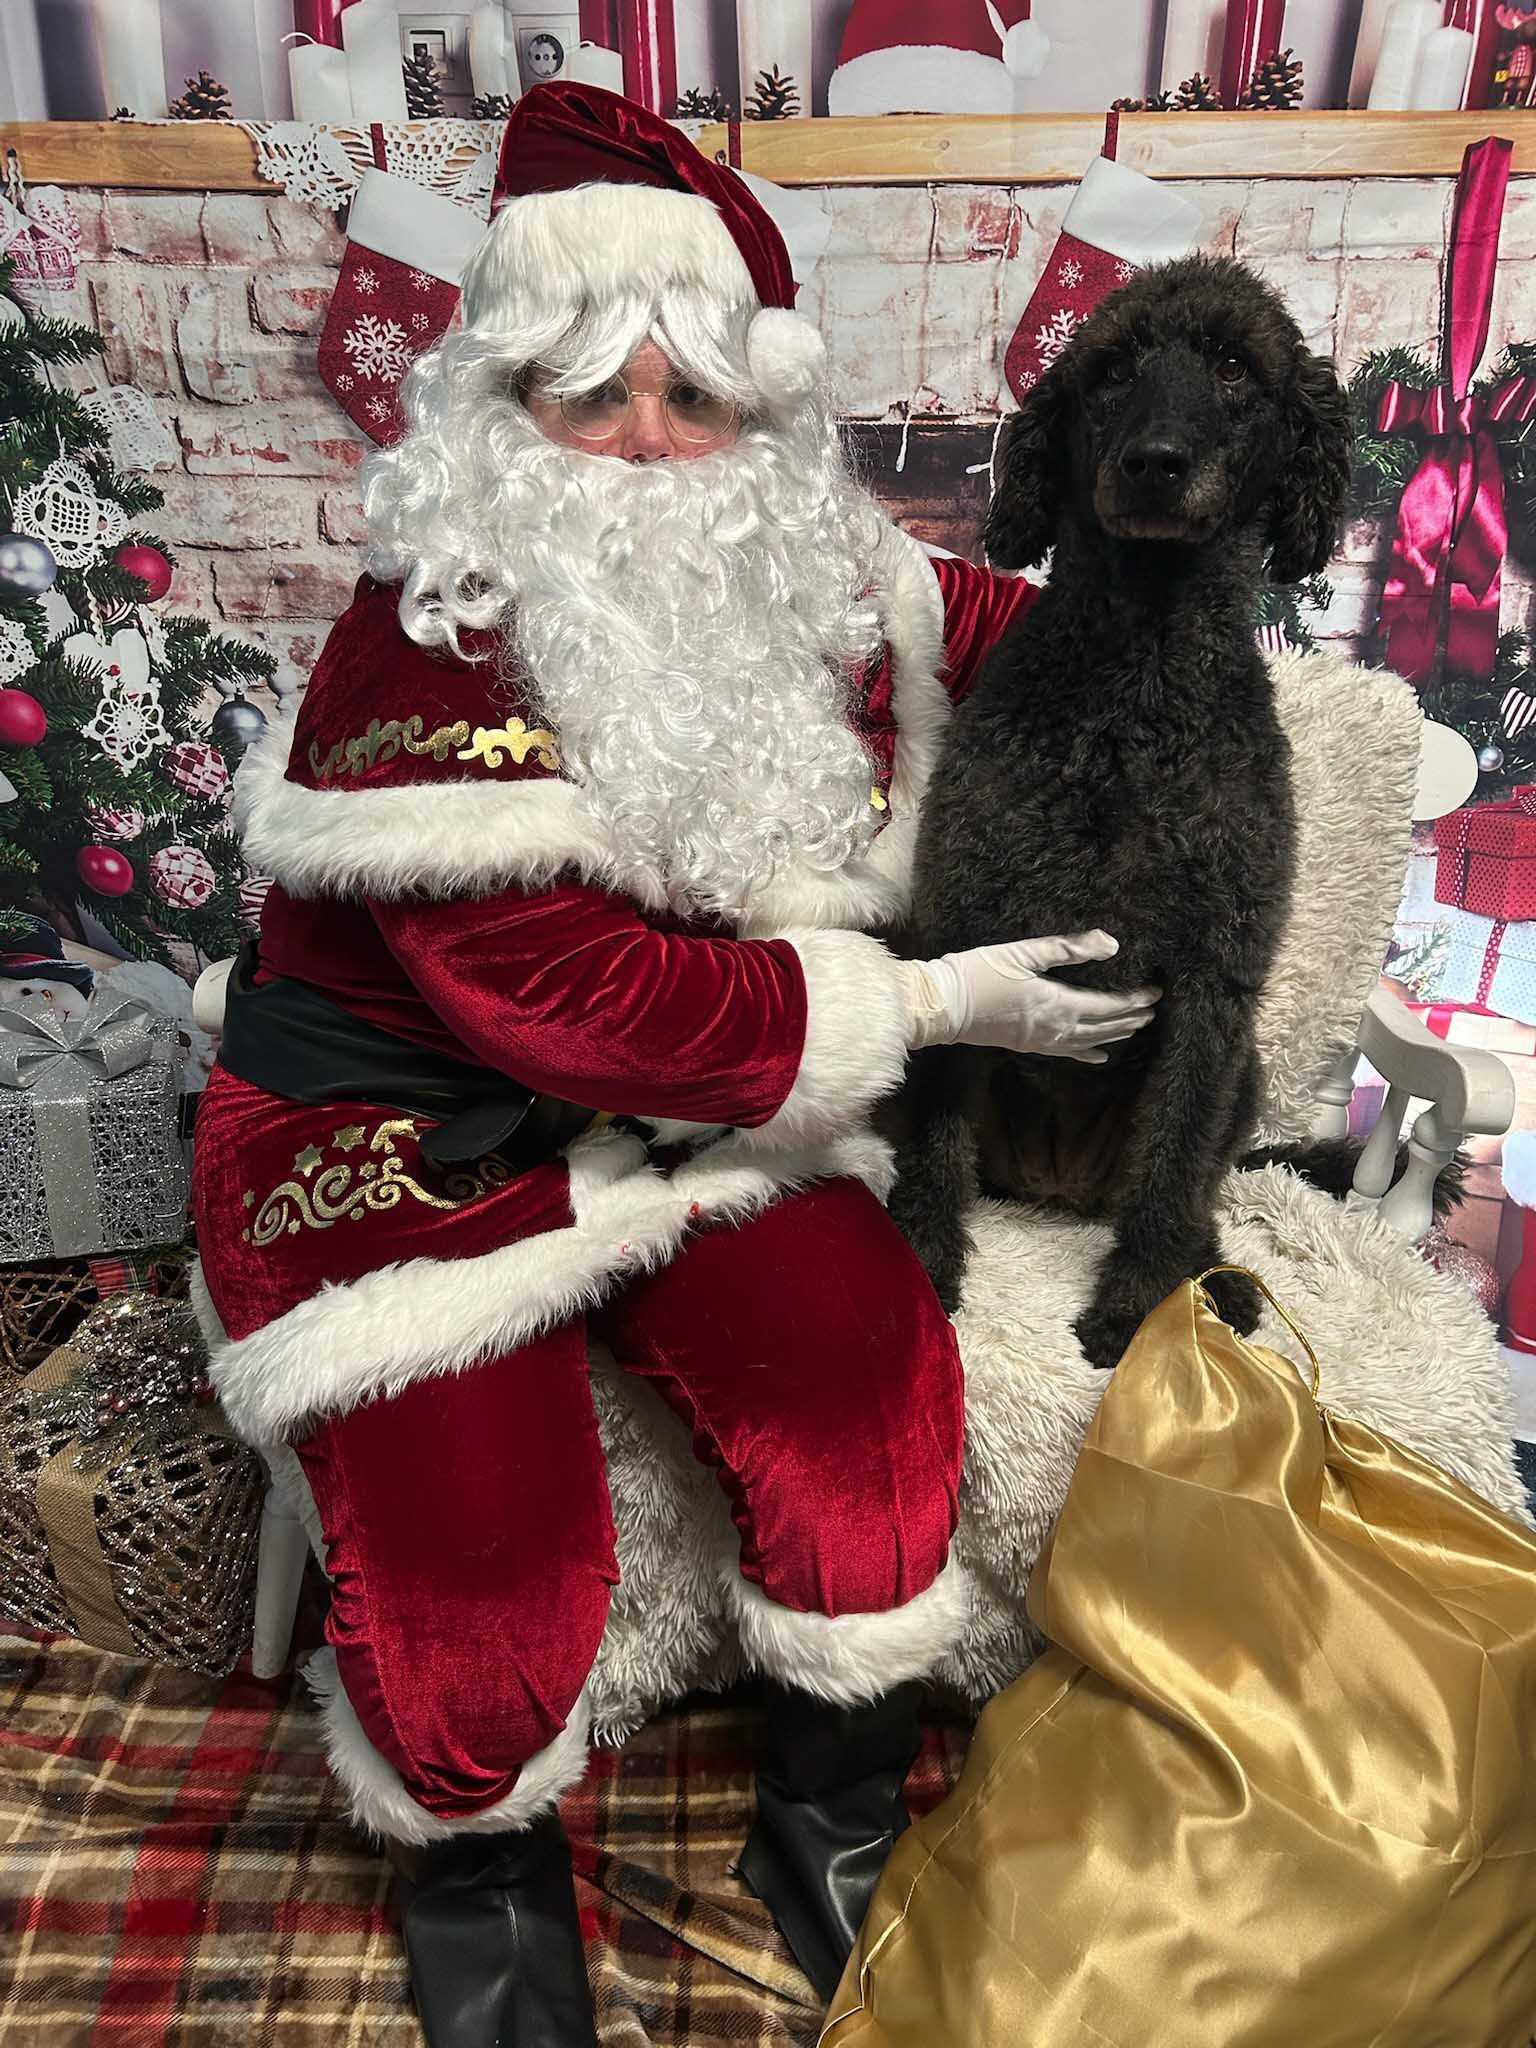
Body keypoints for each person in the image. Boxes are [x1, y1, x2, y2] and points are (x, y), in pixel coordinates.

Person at [191, 82, 1157, 2048]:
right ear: (508, 410)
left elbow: (1012, 633)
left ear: (760, 422)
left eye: (692, 398)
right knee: (491, 1581)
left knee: (873, 1392)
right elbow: (559, 999)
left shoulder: (813, 575)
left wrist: (1194, 650)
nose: (645, 442)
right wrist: (932, 1005)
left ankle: (830, 1817)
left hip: (697, 1116)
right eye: (593, 395)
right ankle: (488, 1905)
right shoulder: (424, 632)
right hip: (406, 1143)